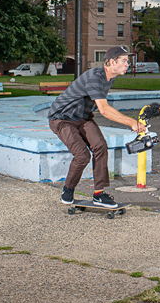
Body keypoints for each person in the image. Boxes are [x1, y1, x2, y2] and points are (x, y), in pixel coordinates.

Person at [48, 46, 147, 207]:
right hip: (62, 119)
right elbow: (104, 110)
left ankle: (99, 194)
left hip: (83, 117)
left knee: (100, 147)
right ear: (111, 62)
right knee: (82, 156)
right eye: (123, 61)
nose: (127, 64)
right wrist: (131, 123)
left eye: (127, 61)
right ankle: (68, 190)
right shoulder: (95, 77)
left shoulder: (110, 78)